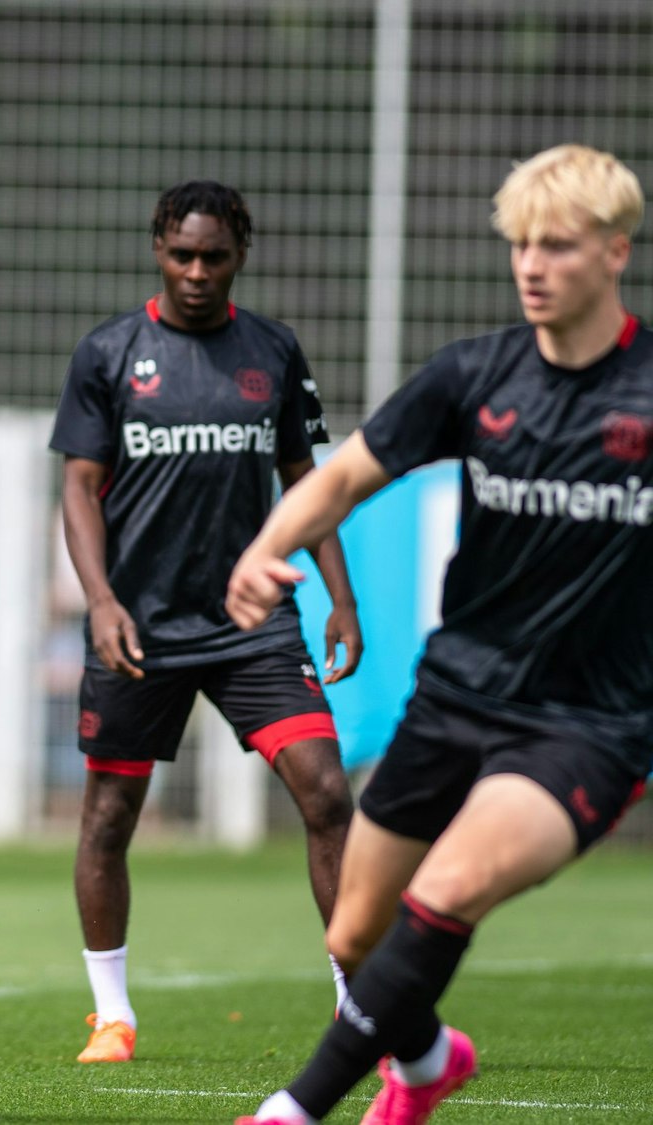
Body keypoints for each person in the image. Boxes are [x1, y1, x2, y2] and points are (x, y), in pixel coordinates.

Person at [231, 144, 651, 1125]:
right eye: (518, 246)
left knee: (451, 884)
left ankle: (292, 1110)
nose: (531, 266)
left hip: (584, 725)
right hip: (454, 694)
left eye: (555, 245)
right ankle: (423, 1064)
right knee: (352, 936)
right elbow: (337, 479)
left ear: (613, 253)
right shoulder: (473, 374)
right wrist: (263, 550)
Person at [49, 181, 362, 1064]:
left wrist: (340, 595)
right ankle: (111, 1013)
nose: (195, 270)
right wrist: (102, 599)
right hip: (138, 627)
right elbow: (78, 484)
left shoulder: (271, 350)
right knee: (109, 817)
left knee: (330, 795)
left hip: (252, 621)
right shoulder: (110, 353)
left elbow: (308, 479)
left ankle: (357, 1006)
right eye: (181, 253)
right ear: (158, 247)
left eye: (213, 256)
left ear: (239, 257)